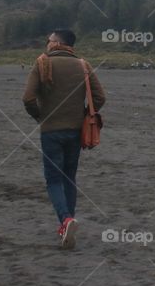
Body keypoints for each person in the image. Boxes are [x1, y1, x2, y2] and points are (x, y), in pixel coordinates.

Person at [22, 29, 106, 249]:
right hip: (76, 131)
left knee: (53, 179)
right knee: (69, 177)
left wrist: (40, 116)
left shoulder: (42, 63)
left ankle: (66, 220)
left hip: (51, 131)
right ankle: (68, 223)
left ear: (56, 43)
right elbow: (100, 97)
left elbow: (28, 98)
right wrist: (84, 113)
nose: (47, 44)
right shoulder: (83, 65)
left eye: (48, 40)